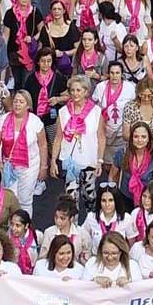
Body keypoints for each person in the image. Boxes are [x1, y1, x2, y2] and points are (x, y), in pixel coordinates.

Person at [50, 75, 105, 220]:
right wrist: (53, 161)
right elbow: (58, 138)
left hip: (89, 160)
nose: (75, 93)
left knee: (90, 197)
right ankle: (72, 231)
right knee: (71, 200)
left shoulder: (96, 111)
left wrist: (100, 160)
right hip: (70, 163)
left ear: (86, 92)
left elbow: (101, 137)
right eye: (72, 90)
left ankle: (91, 227)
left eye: (79, 90)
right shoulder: (63, 112)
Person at [0, 90, 48, 216]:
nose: (17, 104)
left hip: (29, 166)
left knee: (25, 199)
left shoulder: (35, 122)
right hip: (8, 166)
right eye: (15, 101)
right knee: (9, 197)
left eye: (21, 102)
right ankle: (12, 226)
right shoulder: (4, 119)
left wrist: (43, 167)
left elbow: (42, 145)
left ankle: (25, 226)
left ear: (28, 105)